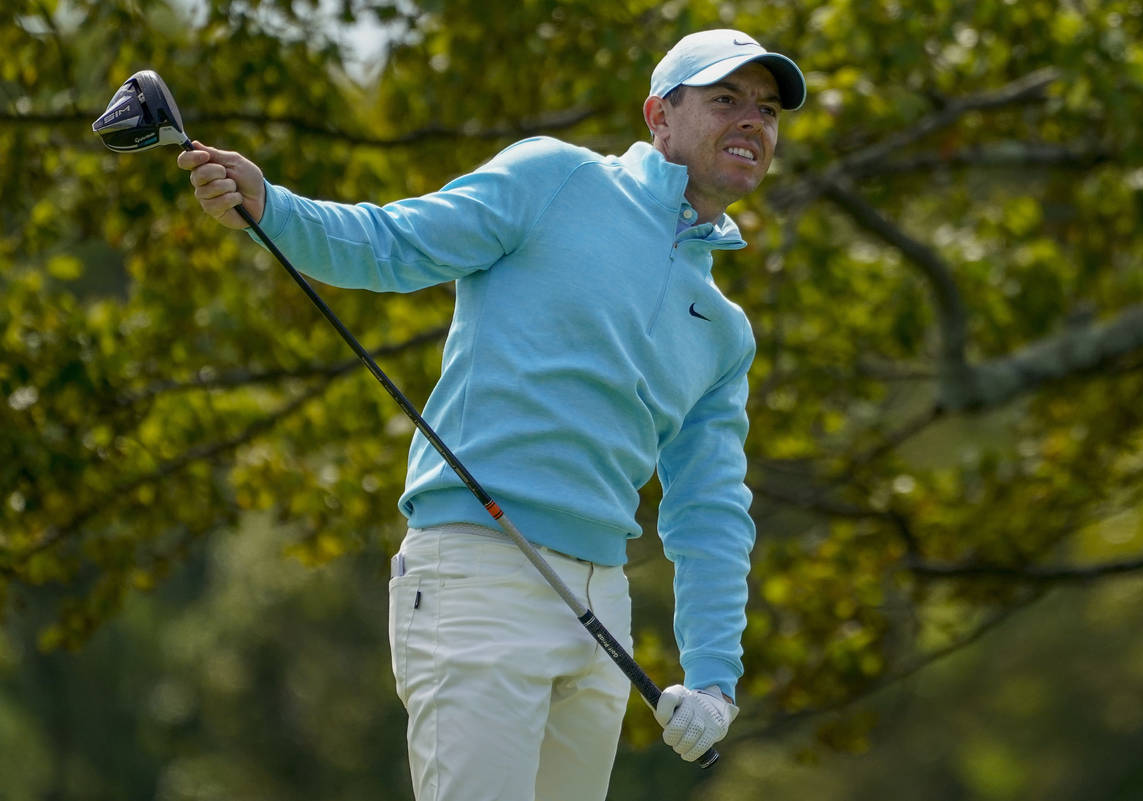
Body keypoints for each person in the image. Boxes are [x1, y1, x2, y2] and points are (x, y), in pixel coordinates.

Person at [179, 28, 804, 801]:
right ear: (659, 116)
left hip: (602, 607)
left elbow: (710, 513)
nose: (752, 121)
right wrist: (271, 207)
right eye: (726, 99)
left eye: (768, 109)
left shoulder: (726, 328)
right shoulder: (555, 179)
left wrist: (714, 680)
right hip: (474, 573)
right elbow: (391, 243)